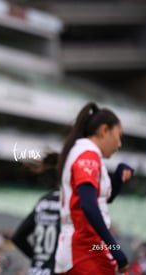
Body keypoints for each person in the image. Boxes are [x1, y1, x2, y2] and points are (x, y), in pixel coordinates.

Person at [54, 102, 134, 275]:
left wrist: (119, 176)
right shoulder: (88, 155)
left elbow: (102, 198)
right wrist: (114, 247)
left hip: (82, 249)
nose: (119, 144)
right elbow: (89, 205)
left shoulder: (84, 154)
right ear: (104, 130)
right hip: (85, 250)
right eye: (118, 136)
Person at [11, 153, 61, 275]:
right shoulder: (73, 203)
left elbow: (18, 237)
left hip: (36, 271)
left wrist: (37, 258)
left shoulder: (44, 201)